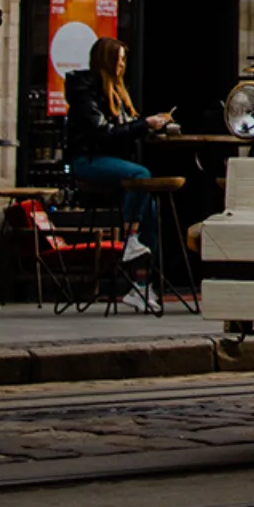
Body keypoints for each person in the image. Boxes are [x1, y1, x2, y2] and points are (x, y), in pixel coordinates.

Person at [65, 37, 174, 312]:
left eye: (125, 59)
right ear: (106, 60)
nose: (123, 65)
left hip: (111, 160)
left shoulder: (118, 91)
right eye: (119, 59)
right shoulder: (85, 89)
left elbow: (122, 130)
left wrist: (149, 125)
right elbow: (101, 133)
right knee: (141, 176)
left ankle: (140, 287)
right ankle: (130, 239)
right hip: (88, 160)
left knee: (149, 207)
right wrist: (142, 126)